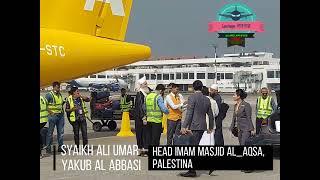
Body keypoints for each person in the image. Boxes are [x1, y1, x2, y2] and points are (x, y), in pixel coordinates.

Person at [179, 80, 214, 177]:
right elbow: (210, 115)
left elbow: (189, 113)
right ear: (202, 88)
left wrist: (184, 126)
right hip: (202, 126)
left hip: (194, 126)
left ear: (193, 87)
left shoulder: (192, 97)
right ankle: (192, 170)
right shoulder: (206, 99)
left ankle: (192, 171)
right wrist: (210, 126)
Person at [134, 76, 152, 156]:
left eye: (146, 83)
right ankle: (143, 150)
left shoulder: (146, 92)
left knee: (144, 134)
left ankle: (142, 149)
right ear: (141, 85)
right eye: (145, 84)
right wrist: (143, 117)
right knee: (142, 134)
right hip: (141, 117)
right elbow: (141, 106)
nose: (146, 85)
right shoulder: (140, 94)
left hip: (143, 117)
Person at [45, 82, 65, 153]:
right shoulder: (49, 95)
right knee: (50, 132)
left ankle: (61, 147)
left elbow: (60, 104)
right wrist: (51, 112)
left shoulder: (59, 94)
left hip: (60, 116)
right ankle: (48, 147)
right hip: (53, 116)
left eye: (59, 87)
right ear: (53, 87)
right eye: (57, 87)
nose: (58, 89)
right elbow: (45, 105)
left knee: (61, 132)